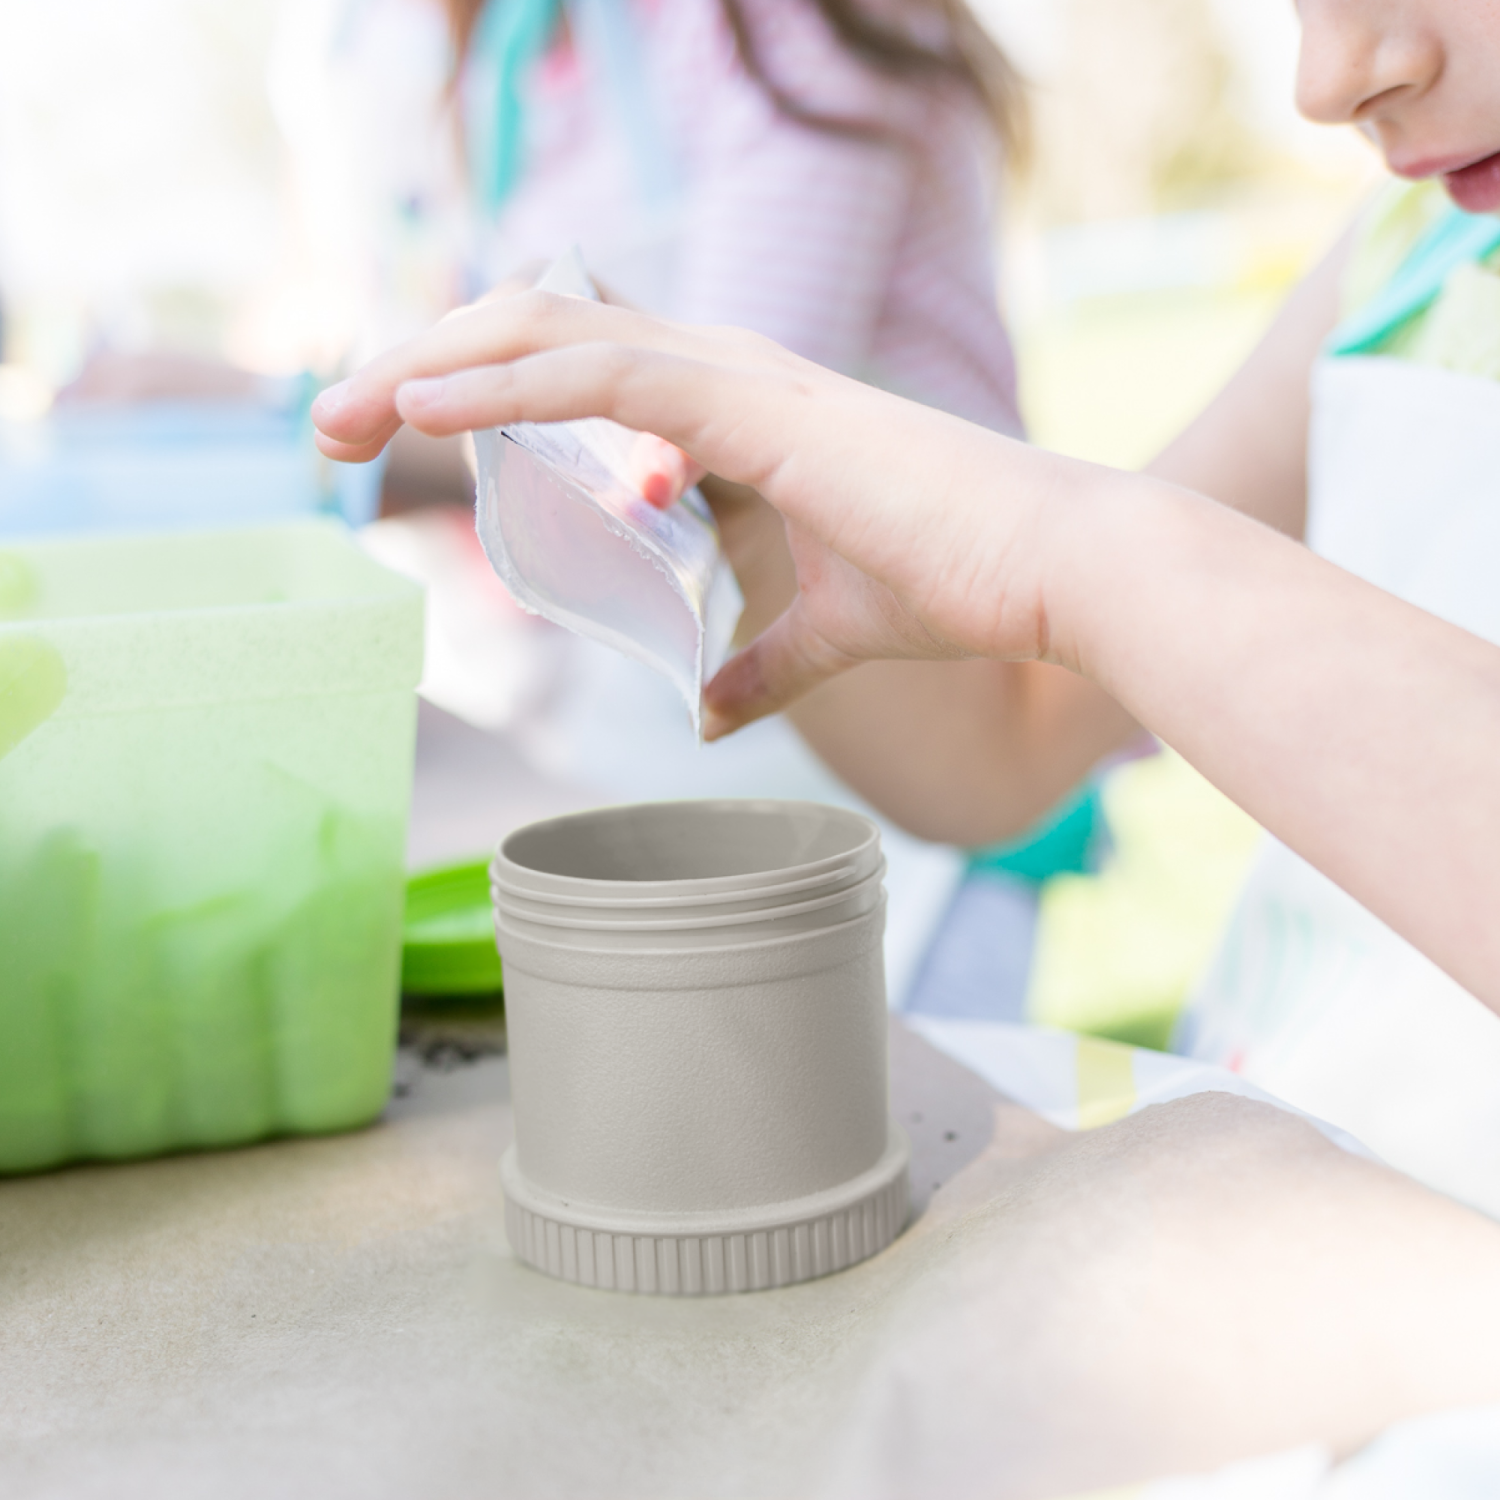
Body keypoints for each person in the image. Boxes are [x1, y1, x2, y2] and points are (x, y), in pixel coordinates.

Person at [313, 0, 1500, 1217]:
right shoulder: (1408, 253)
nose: (1329, 75)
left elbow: (1085, 585)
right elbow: (1005, 749)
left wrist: (1082, 554)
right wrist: (741, 498)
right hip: (1298, 1201)